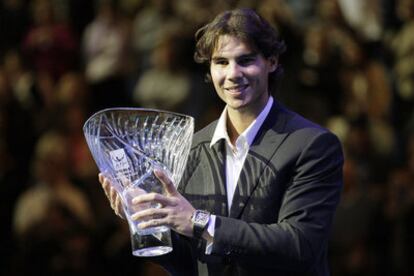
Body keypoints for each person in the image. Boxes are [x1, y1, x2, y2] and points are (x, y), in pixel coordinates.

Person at [99, 8, 344, 275]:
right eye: (221, 62)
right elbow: (191, 264)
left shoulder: (312, 145)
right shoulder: (191, 148)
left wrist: (198, 221)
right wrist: (148, 221)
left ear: (271, 61)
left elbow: (300, 245)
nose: (233, 74)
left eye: (245, 60)